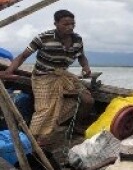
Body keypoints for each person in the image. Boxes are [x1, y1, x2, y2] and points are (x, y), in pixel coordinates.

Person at [2, 9, 92, 149]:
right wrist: (8, 72)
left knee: (87, 99)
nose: (70, 27)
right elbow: (23, 56)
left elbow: (81, 57)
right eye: (65, 24)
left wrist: (86, 68)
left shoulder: (77, 40)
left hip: (63, 75)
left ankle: (76, 128)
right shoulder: (43, 38)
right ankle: (34, 139)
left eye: (72, 24)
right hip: (43, 77)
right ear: (56, 23)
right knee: (44, 109)